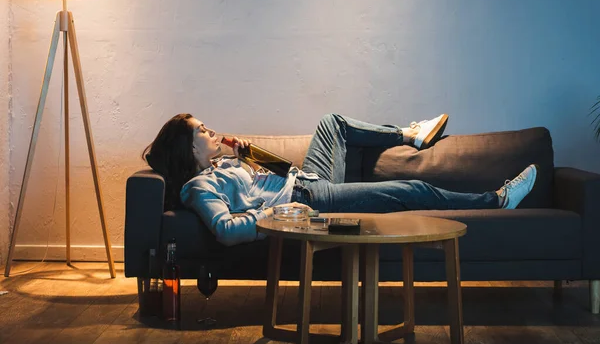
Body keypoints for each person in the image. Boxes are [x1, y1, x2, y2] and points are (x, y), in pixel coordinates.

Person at [143, 113, 538, 246]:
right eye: (203, 131)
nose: (212, 132)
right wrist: (282, 214)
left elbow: (278, 173)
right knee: (413, 190)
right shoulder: (199, 187)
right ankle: (496, 200)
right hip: (311, 199)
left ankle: (410, 135)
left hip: (306, 178)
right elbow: (227, 231)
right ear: (187, 148)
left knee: (332, 122)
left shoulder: (223, 166)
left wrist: (250, 156)